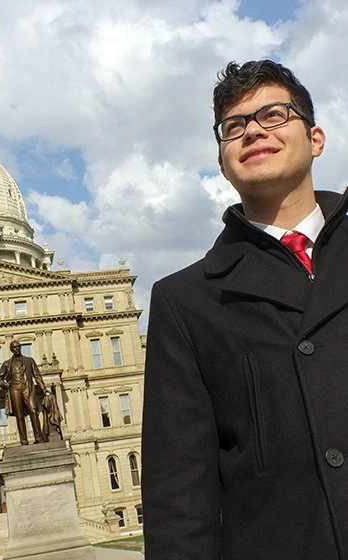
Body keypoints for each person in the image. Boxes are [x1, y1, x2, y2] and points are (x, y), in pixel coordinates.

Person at [142, 59, 348, 559]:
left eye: (274, 114)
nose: (253, 130)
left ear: (315, 137)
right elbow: (178, 498)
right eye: (234, 126)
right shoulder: (184, 300)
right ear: (222, 160)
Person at [0, 340, 49, 445]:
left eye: (19, 346)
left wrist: (43, 389)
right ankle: (23, 439)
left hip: (27, 388)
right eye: (15, 347)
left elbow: (37, 376)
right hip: (15, 389)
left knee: (33, 411)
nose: (17, 349)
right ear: (11, 349)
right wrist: (4, 384)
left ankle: (38, 437)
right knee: (19, 415)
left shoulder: (29, 361)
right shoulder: (7, 364)